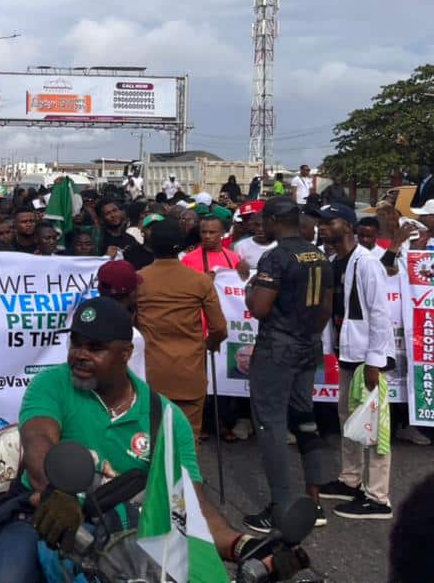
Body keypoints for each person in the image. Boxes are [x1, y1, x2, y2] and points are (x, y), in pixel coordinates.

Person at [0, 297, 271, 583]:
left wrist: (242, 545)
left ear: (126, 353)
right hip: (42, 515)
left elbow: (189, 504)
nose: (80, 353)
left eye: (95, 347)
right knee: (5, 576)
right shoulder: (52, 383)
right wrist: (56, 491)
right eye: (76, 343)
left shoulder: (165, 417)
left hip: (128, 531)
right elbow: (38, 439)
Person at [243, 196, 334, 533]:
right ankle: (314, 500)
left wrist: (251, 289)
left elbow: (261, 308)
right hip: (309, 345)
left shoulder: (276, 257)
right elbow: (326, 306)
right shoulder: (320, 256)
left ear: (273, 221)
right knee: (305, 419)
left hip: (276, 350)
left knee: (271, 426)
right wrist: (308, 335)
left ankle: (280, 507)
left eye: (263, 221)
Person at [316, 201, 394, 520]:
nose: (322, 226)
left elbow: (379, 312)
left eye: (329, 221)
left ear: (348, 226)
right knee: (350, 419)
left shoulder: (366, 263)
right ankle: (351, 480)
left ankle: (377, 497)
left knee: (374, 425)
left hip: (367, 358)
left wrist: (375, 360)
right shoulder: (336, 261)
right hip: (347, 354)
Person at [135, 219, 226, 440]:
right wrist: (209, 345)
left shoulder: (138, 279)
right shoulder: (200, 281)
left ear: (150, 246)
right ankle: (188, 476)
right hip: (189, 372)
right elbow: (219, 328)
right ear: (183, 246)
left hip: (150, 373)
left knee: (153, 437)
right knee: (188, 438)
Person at [182, 216, 250, 279]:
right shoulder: (188, 259)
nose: (207, 236)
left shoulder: (235, 258)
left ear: (222, 233)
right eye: (203, 232)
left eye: (212, 232)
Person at [232, 201, 275, 267]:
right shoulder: (239, 245)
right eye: (245, 219)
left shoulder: (282, 244)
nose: (249, 222)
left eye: (250, 218)